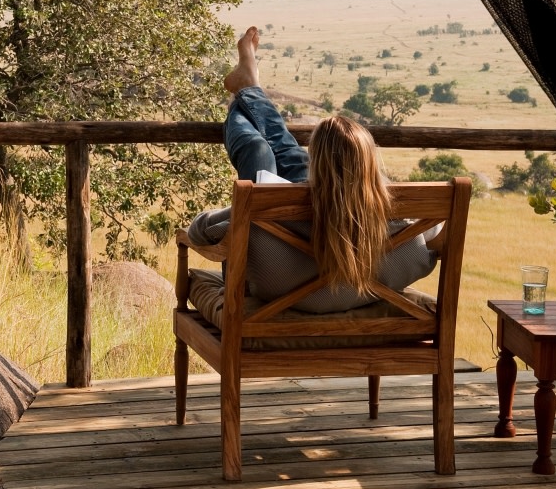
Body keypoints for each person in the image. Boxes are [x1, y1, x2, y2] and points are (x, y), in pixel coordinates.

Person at [187, 26, 441, 314]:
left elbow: (199, 232)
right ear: (370, 165)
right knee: (289, 155)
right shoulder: (405, 223)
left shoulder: (274, 208)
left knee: (259, 149)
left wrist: (231, 211)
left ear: (317, 167)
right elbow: (435, 235)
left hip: (277, 294)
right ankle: (249, 87)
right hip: (361, 287)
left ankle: (246, 90)